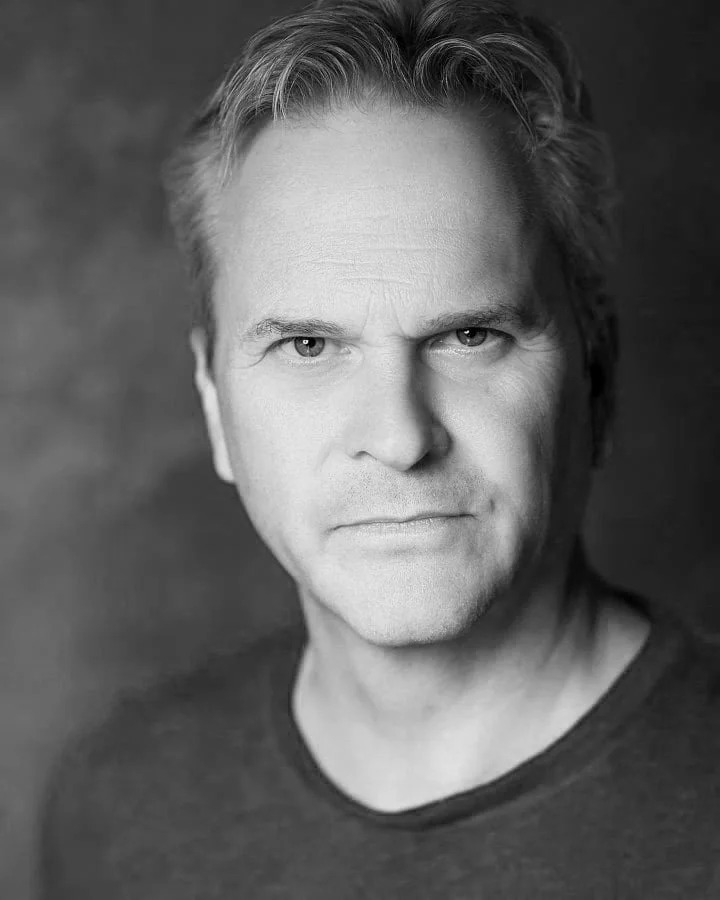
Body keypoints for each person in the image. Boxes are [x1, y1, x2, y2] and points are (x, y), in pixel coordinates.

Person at [40, 0, 720, 897]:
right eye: (309, 347)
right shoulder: (118, 809)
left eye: (469, 336)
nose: (400, 437)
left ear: (596, 372)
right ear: (215, 408)